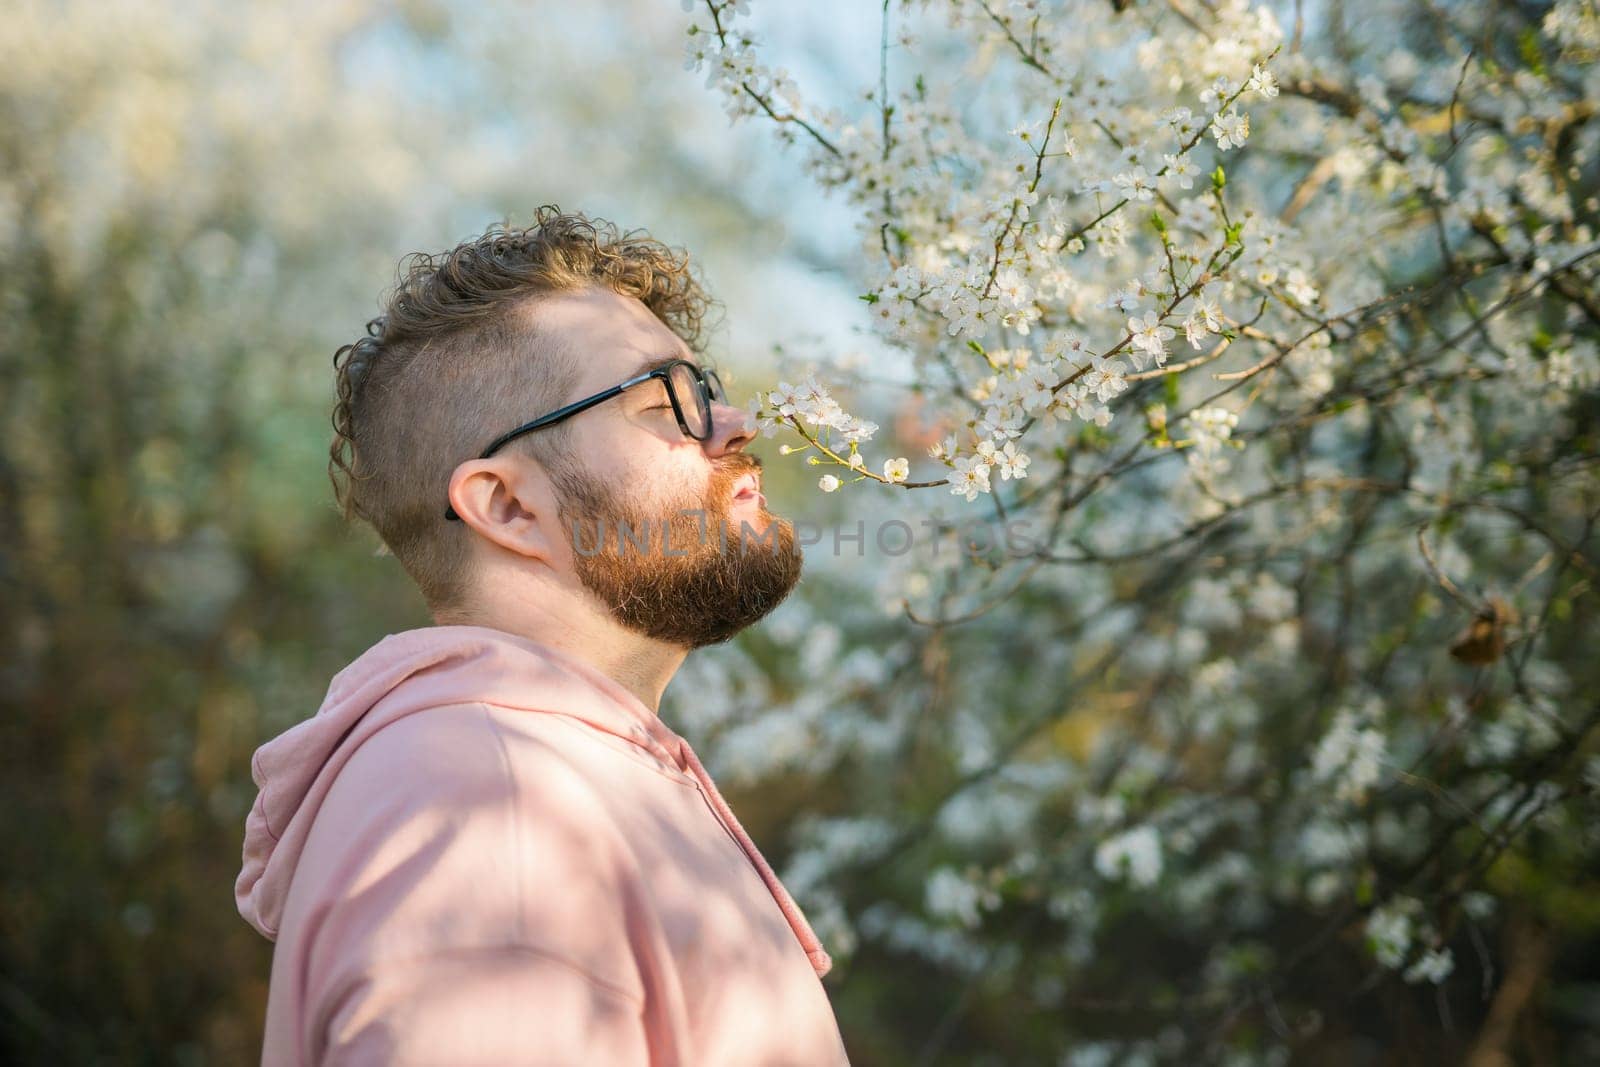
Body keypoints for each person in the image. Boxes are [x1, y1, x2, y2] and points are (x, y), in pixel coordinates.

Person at [234, 207, 850, 1065]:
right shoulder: (493, 810)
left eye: (704, 388)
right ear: (510, 506)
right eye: (665, 398)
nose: (733, 420)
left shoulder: (540, 781)